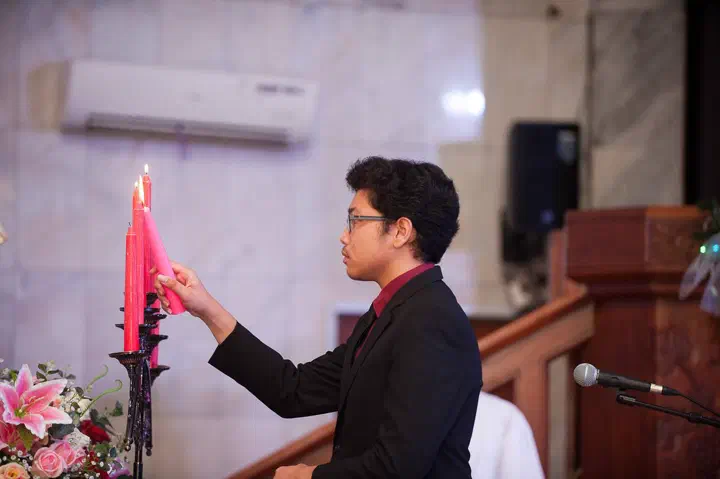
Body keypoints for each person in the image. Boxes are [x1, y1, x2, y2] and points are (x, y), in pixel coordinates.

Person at [153, 156, 483, 478]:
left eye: (355, 221)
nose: (344, 235)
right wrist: (207, 308)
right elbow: (293, 390)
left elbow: (398, 466)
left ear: (400, 231)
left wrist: (309, 476)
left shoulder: (432, 321)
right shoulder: (391, 313)